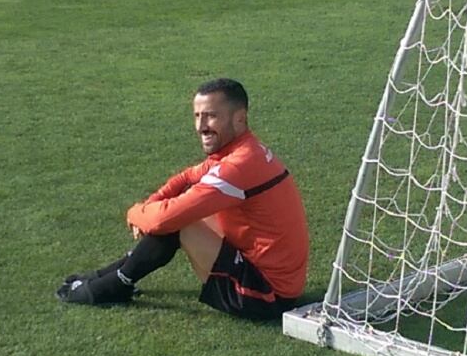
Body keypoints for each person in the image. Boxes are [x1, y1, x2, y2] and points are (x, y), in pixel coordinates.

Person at [56, 78, 309, 320]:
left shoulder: (238, 166)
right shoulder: (243, 151)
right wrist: (151, 203)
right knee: (180, 212)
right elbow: (187, 177)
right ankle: (110, 277)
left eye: (211, 116)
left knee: (179, 220)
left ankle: (112, 285)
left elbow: (164, 219)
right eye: (197, 116)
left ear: (240, 118)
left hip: (266, 296)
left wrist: (135, 212)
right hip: (269, 279)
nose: (200, 126)